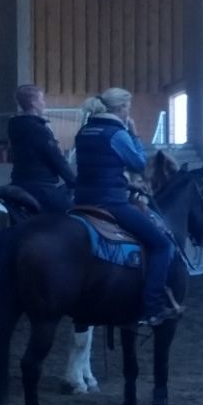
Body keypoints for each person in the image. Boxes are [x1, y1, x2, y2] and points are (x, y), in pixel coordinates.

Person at [73, 87, 180, 327]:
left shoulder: (84, 131)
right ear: (121, 108)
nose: (128, 113)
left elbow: (97, 168)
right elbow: (139, 164)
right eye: (127, 108)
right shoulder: (117, 134)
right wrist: (134, 133)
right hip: (110, 202)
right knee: (162, 245)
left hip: (81, 200)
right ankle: (153, 307)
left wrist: (126, 183)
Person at [7, 84, 75, 214]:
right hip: (40, 186)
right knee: (70, 215)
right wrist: (73, 182)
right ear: (33, 103)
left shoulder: (14, 125)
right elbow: (56, 158)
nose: (44, 103)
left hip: (18, 181)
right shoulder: (39, 129)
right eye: (42, 99)